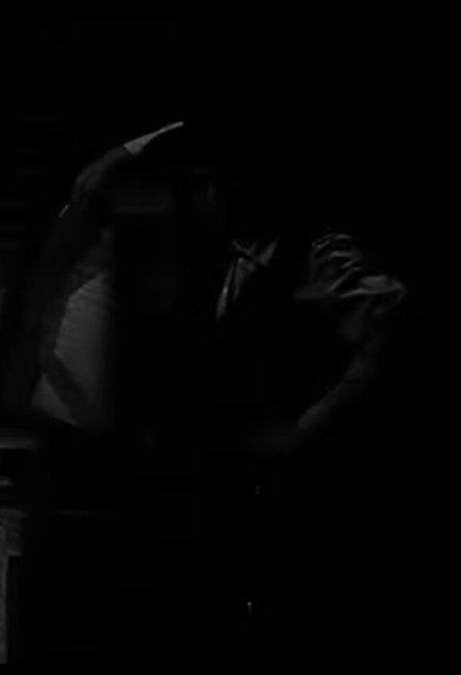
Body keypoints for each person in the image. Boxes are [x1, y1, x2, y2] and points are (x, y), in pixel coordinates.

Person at [64, 119, 412, 662]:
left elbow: (392, 325)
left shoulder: (313, 253)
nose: (205, 196)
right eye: (199, 183)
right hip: (226, 509)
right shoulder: (218, 256)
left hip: (298, 516)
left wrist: (303, 431)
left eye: (215, 182)